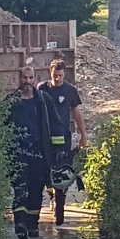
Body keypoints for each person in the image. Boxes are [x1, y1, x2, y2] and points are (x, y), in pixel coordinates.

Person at [4, 65, 65, 239]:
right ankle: (20, 224)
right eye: (24, 78)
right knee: (20, 188)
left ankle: (32, 224)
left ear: (35, 79)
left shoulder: (43, 101)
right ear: (19, 79)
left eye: (30, 78)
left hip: (39, 154)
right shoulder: (11, 101)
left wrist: (59, 150)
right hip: (18, 154)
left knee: (36, 190)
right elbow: (1, 125)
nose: (27, 81)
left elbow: (56, 124)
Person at [38, 58, 87, 225]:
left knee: (63, 171)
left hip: (63, 139)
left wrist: (83, 134)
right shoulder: (42, 89)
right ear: (50, 72)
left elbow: (76, 113)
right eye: (55, 75)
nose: (57, 78)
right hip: (46, 138)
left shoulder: (70, 91)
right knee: (46, 171)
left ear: (64, 74)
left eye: (60, 75)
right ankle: (51, 195)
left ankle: (60, 201)